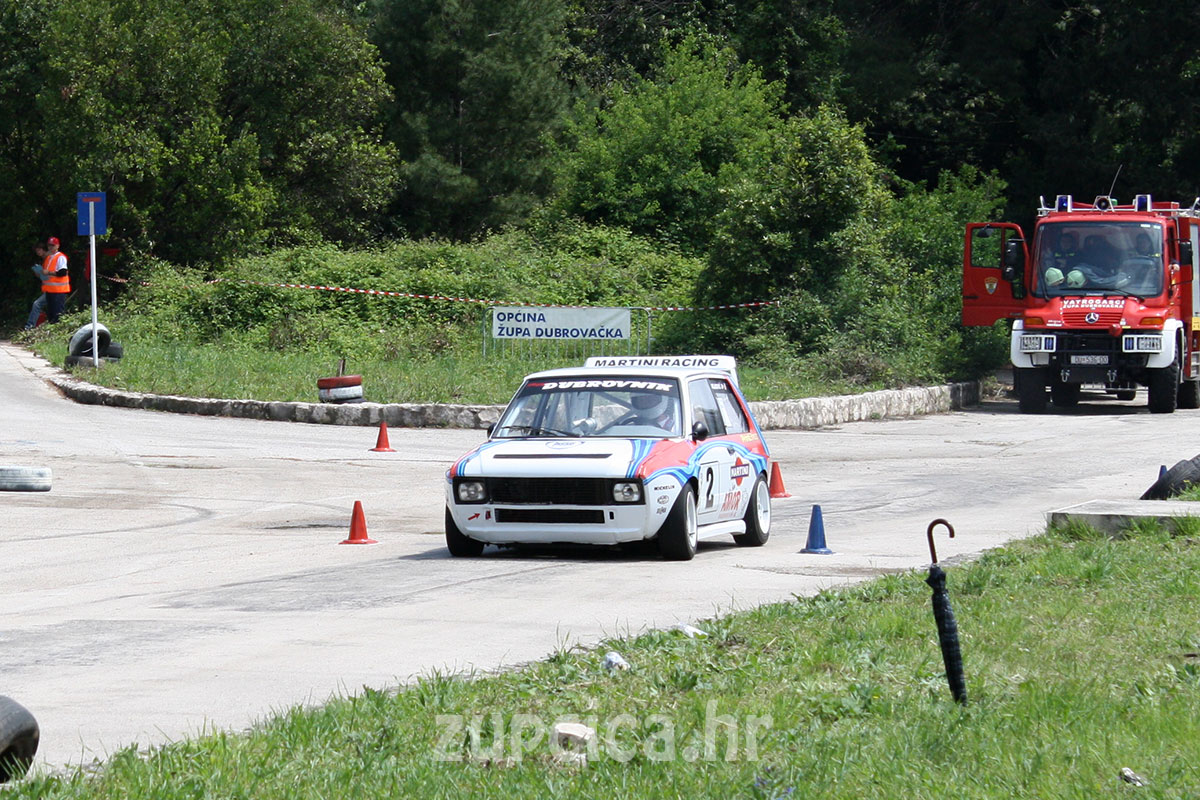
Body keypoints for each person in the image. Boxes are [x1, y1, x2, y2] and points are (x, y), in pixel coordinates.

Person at [39, 236, 70, 324]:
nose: (50, 247)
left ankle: (59, 329)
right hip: (50, 290)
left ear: (57, 246)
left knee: (58, 314)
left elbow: (62, 272)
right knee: (51, 314)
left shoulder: (60, 257)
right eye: (49, 245)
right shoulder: (49, 258)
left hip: (58, 290)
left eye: (52, 245)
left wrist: (48, 272)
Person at [23, 242, 48, 329]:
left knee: (37, 304)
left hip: (53, 288)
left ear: (43, 249)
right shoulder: (43, 260)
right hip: (47, 287)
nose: (38, 252)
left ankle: (29, 326)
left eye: (39, 250)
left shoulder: (49, 259)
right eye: (36, 251)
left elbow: (49, 274)